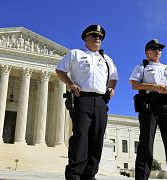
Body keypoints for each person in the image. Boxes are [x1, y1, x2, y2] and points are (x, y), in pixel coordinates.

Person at [56, 24, 118, 180]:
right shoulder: (75, 54)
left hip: (101, 101)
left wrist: (111, 88)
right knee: (81, 135)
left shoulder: (106, 59)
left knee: (97, 138)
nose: (98, 39)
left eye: (100, 37)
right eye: (94, 36)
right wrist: (70, 84)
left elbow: (113, 78)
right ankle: (74, 174)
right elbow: (60, 70)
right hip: (82, 98)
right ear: (85, 38)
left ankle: (90, 174)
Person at [129, 39, 167, 180]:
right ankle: (142, 177)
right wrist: (155, 87)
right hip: (149, 107)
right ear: (147, 52)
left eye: (159, 49)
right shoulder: (142, 67)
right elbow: (134, 85)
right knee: (146, 144)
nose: (158, 51)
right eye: (154, 48)